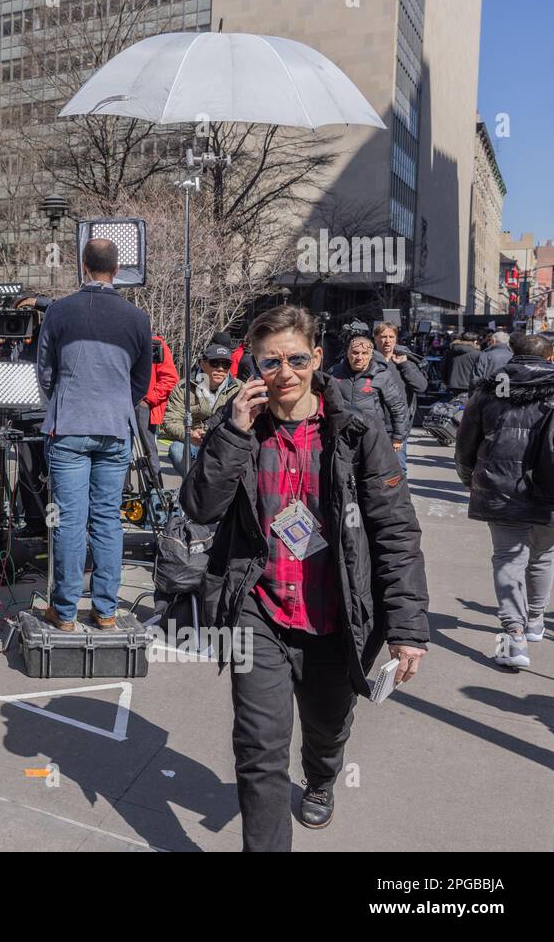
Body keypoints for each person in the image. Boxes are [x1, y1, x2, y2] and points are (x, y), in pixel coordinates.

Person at [181, 304, 428, 852]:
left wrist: (409, 627)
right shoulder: (239, 424)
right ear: (255, 366)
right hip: (259, 608)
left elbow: (395, 528)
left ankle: (321, 777)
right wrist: (234, 434)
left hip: (334, 612)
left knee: (326, 727)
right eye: (271, 362)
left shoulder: (358, 427)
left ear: (317, 358)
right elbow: (199, 506)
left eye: (296, 358)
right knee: (258, 746)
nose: (284, 373)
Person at [36, 237, 152, 632]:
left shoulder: (59, 310)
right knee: (108, 521)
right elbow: (142, 380)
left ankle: (64, 612)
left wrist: (63, 400)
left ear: (83, 266)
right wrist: (117, 402)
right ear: (116, 270)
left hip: (69, 424)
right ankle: (105, 611)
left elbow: (45, 371)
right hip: (115, 428)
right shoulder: (137, 317)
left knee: (70, 521)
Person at [455, 332, 554, 670]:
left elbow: (466, 439)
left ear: (512, 353)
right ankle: (537, 621)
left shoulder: (490, 388)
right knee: (542, 556)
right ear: (550, 357)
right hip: (549, 489)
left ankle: (514, 637)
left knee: (508, 560)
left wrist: (469, 477)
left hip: (501, 486)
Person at [327, 334, 410, 472]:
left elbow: (397, 406)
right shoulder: (334, 372)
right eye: (355, 352)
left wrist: (398, 437)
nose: (359, 357)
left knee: (371, 477)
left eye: (364, 353)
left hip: (371, 437)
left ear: (371, 355)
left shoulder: (381, 375)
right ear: (347, 353)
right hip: (341, 437)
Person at [162, 340, 242, 474]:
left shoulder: (240, 389)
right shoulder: (183, 387)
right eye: (215, 363)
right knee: (177, 449)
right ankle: (191, 486)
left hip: (224, 445)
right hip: (193, 444)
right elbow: (170, 421)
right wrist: (190, 434)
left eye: (226, 364)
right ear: (202, 363)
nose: (221, 369)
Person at [372, 321, 428, 440]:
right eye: (383, 336)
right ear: (375, 338)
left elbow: (421, 387)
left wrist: (404, 365)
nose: (387, 341)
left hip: (398, 427)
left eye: (391, 337)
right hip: (373, 425)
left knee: (398, 459)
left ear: (396, 339)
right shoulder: (366, 362)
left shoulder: (406, 362)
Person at [139, 333, 178, 472]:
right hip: (117, 405)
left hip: (143, 408)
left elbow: (170, 378)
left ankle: (154, 490)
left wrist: (148, 401)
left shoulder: (155, 343)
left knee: (148, 451)